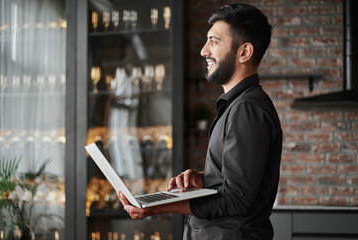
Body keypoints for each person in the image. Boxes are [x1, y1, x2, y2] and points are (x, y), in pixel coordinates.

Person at [118, 3, 282, 239]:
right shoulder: (238, 105)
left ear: (244, 52)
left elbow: (236, 199)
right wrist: (205, 178)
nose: (204, 50)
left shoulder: (247, 108)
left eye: (214, 41)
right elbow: (240, 181)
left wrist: (155, 207)